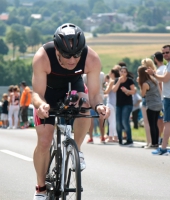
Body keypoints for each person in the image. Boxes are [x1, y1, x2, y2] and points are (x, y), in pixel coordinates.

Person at [31, 23, 110, 199]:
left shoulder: (91, 58)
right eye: (66, 55)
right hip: (48, 94)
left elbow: (95, 95)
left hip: (73, 87)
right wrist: (41, 105)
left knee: (85, 105)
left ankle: (77, 149)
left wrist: (99, 106)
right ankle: (40, 188)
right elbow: (37, 93)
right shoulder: (42, 57)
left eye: (76, 55)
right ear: (57, 49)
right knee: (44, 140)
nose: (72, 60)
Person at [146, 44, 170, 155]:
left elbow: (165, 79)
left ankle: (163, 148)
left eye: (167, 52)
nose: (165, 54)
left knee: (167, 122)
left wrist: (153, 74)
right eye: (164, 53)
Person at [137, 66, 163, 147]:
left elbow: (143, 94)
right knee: (155, 124)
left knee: (152, 124)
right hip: (158, 103)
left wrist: (139, 84)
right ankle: (156, 142)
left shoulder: (145, 83)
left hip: (151, 105)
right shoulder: (153, 80)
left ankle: (153, 143)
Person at [112, 66, 136, 146]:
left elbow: (133, 91)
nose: (122, 73)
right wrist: (119, 81)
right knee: (118, 122)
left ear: (126, 73)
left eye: (124, 72)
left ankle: (129, 139)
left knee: (124, 121)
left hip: (127, 104)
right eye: (121, 71)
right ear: (119, 72)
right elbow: (114, 90)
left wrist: (127, 91)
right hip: (119, 104)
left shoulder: (129, 81)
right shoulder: (116, 80)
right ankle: (120, 139)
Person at [83, 72, 106, 143]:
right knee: (101, 118)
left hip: (90, 98)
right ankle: (102, 136)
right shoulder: (102, 74)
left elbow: (84, 87)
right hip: (100, 97)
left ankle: (91, 137)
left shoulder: (85, 75)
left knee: (91, 118)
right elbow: (103, 85)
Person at [104, 68, 120, 142]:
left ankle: (110, 137)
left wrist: (106, 86)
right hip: (115, 103)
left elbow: (106, 92)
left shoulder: (112, 81)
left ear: (113, 74)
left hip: (110, 103)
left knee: (111, 121)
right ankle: (115, 137)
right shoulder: (116, 81)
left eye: (110, 72)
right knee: (114, 121)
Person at [153, 52, 166, 144]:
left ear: (155, 59)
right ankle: (163, 138)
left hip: (161, 98)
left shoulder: (159, 71)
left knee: (160, 120)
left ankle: (160, 138)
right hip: (165, 97)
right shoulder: (166, 68)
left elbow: (160, 84)